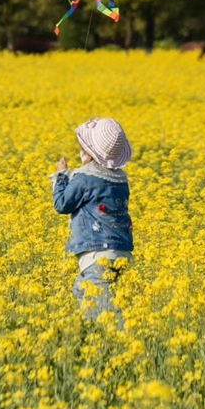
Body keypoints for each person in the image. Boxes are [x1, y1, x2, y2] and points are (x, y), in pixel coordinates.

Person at [49, 117, 133, 325]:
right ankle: (91, 337)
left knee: (109, 316)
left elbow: (62, 204)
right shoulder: (120, 180)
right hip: (121, 252)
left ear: (88, 153)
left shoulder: (84, 179)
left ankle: (117, 344)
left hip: (98, 256)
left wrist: (61, 176)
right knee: (82, 292)